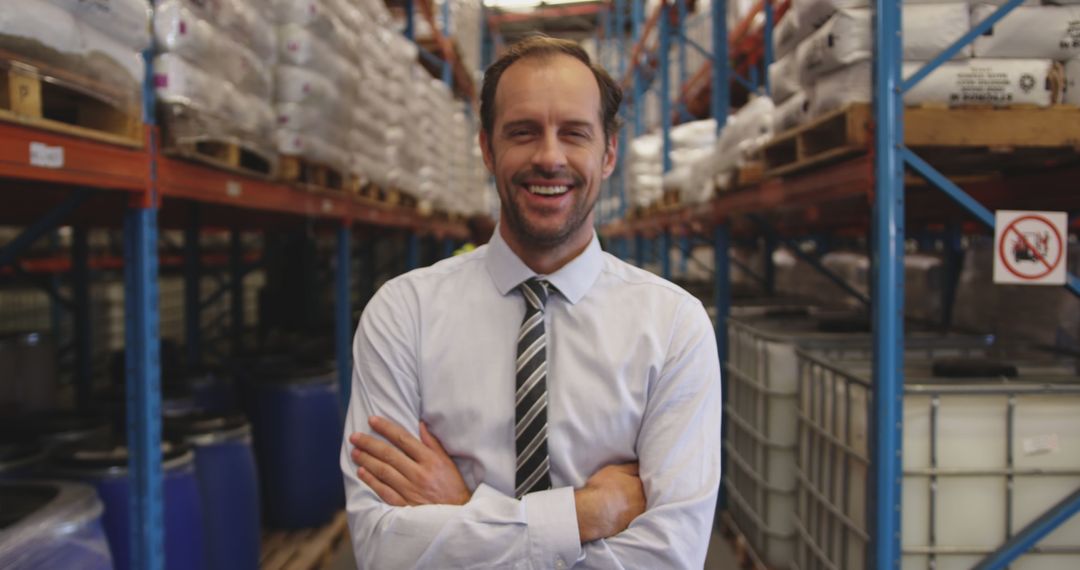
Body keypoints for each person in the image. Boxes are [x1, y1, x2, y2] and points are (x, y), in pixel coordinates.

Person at [340, 35, 722, 569]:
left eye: (574, 133)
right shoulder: (403, 315)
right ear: (487, 148)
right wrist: (588, 513)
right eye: (523, 133)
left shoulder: (674, 328)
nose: (549, 157)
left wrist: (461, 511)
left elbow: (669, 559)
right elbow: (384, 550)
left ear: (608, 152)